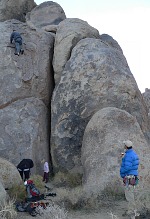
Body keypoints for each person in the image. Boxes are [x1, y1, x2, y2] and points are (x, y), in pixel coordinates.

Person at [120, 140, 140, 219]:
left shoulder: (128, 155)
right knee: (131, 194)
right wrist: (123, 158)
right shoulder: (133, 154)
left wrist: (122, 172)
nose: (123, 146)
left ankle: (131, 212)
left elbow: (127, 167)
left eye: (124, 145)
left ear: (126, 146)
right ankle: (133, 210)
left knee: (129, 195)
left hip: (129, 177)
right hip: (133, 177)